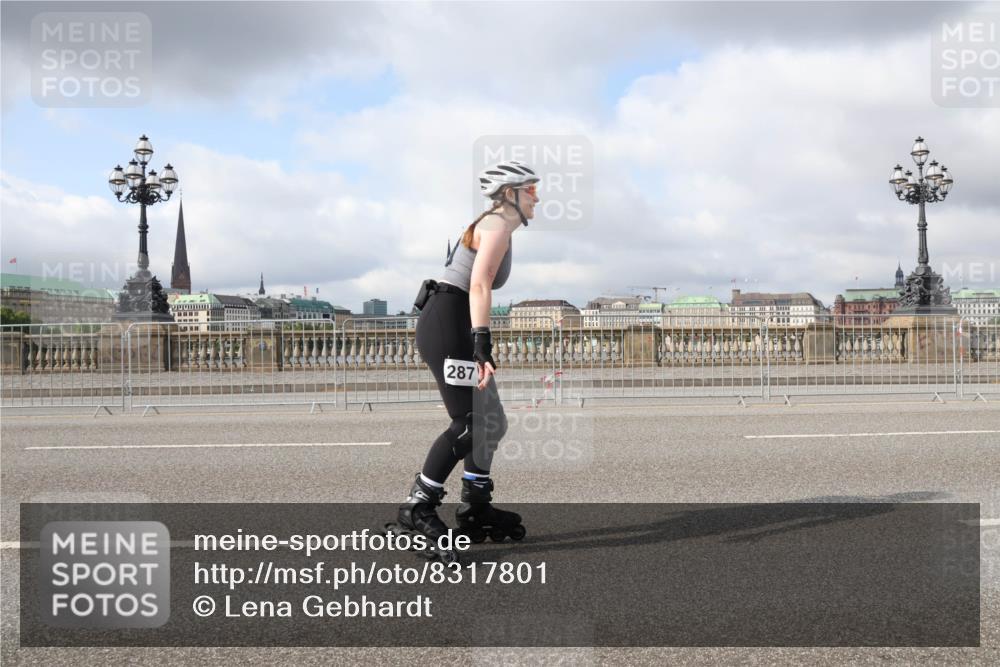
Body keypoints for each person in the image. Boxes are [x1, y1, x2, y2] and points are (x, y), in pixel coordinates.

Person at [386, 160, 539, 559]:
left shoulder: (495, 223)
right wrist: (481, 343)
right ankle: (416, 507)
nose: (537, 196)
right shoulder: (497, 224)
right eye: (531, 189)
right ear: (511, 194)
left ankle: (474, 505)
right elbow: (479, 284)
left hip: (453, 317)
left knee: (492, 421)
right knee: (470, 422)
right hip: (448, 321)